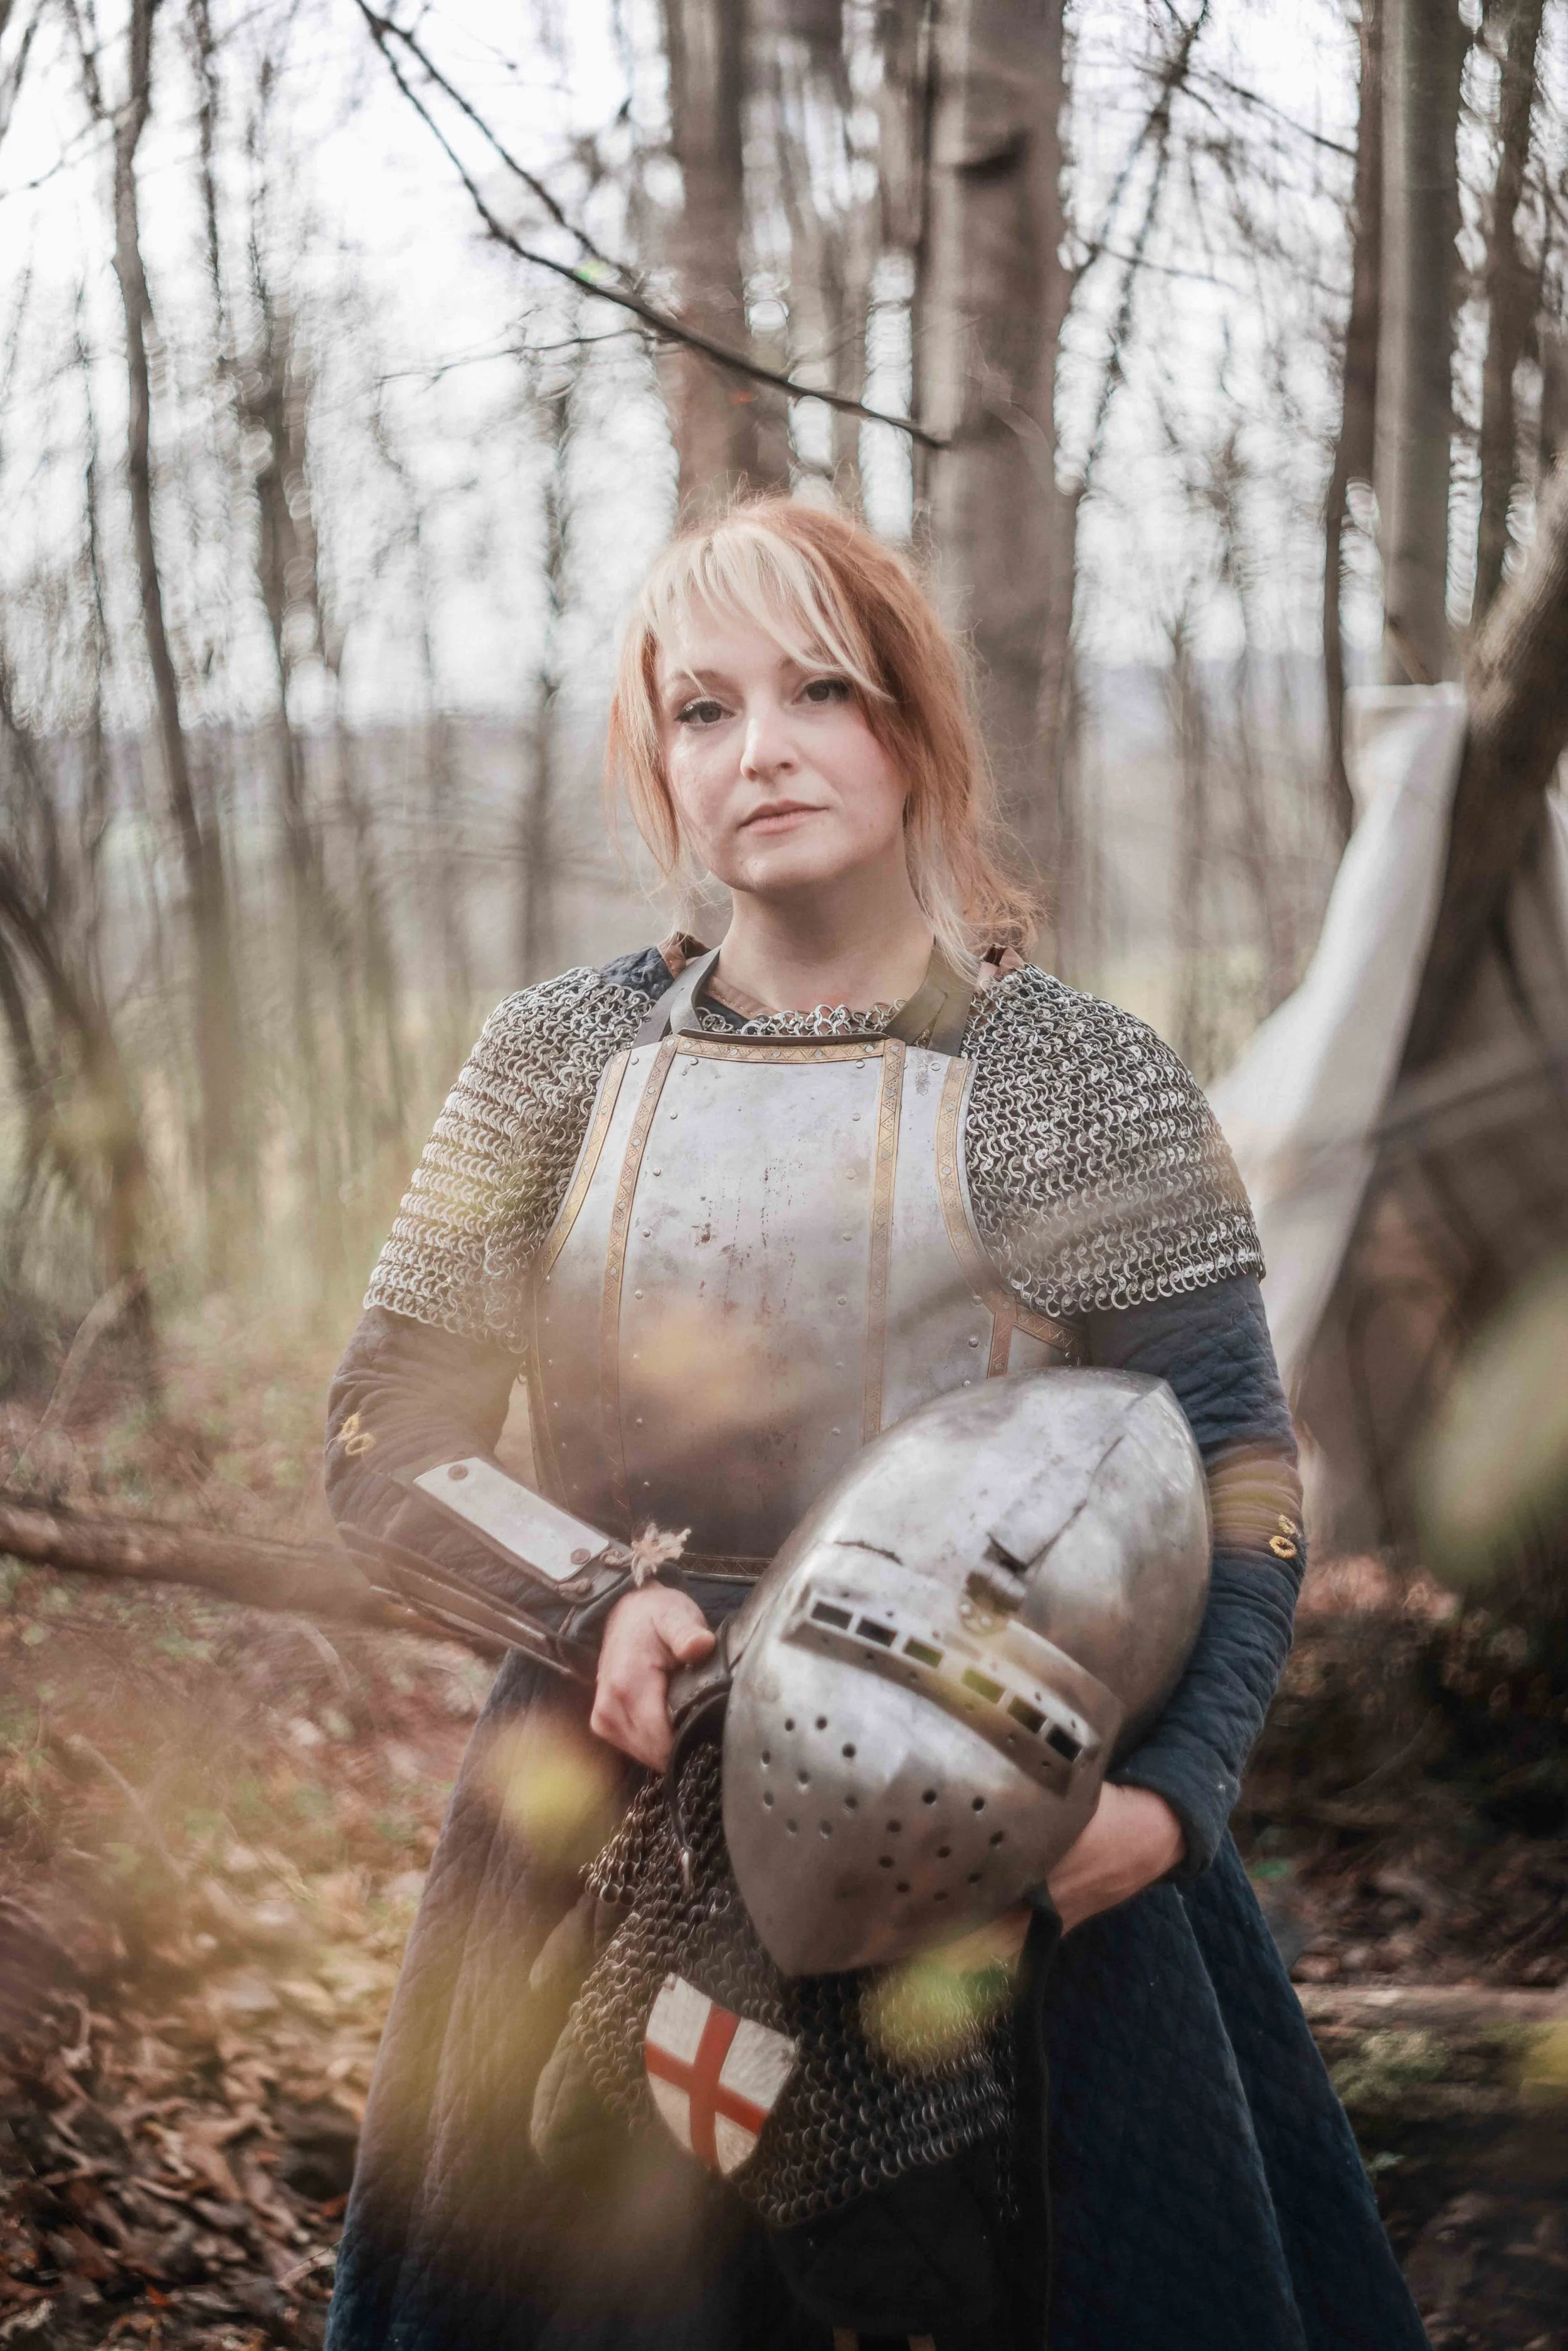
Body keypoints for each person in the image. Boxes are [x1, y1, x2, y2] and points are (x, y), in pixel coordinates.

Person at [320, 498, 1429, 2351]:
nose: (758, 749)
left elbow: (1238, 1463)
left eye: (818, 690)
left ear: (908, 723)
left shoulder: (1074, 1076)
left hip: (1009, 1826)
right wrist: (603, 1603)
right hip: (613, 1799)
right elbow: (378, 1438)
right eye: (700, 709)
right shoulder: (555, 1060)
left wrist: (1168, 1801)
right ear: (657, 764)